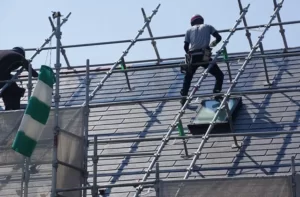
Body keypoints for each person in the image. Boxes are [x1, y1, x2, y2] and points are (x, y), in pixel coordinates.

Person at [180, 14, 224, 106]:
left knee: (188, 77)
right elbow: (219, 38)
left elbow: (185, 47)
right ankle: (216, 92)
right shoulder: (208, 26)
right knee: (219, 75)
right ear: (202, 20)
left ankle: (184, 97)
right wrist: (213, 44)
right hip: (204, 55)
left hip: (193, 56)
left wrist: (188, 56)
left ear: (192, 23)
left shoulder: (188, 30)